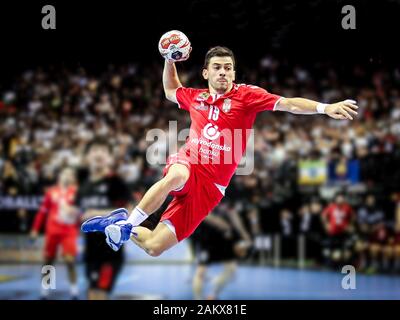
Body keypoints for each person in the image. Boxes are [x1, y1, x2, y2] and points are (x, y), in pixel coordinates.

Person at [81, 44, 359, 257]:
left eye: (228, 67)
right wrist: (168, 58)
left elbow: (289, 104)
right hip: (189, 162)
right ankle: (128, 223)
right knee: (176, 176)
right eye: (217, 67)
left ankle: (116, 224)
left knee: (154, 247)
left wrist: (325, 108)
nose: (223, 72)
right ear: (206, 72)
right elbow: (170, 89)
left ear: (234, 72)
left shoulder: (247, 96)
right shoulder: (196, 97)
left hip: (213, 186)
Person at [75, 138, 132, 300]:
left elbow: (127, 212)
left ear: (109, 158)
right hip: (90, 251)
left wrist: (96, 213)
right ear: (87, 157)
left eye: (103, 150)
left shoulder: (116, 182)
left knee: (100, 294)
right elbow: (79, 214)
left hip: (110, 253)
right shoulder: (84, 186)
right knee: (92, 293)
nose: (98, 153)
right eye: (94, 150)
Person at [30, 167, 79, 299]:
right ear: (60, 176)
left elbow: (80, 212)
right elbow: (42, 212)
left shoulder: (76, 192)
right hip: (52, 230)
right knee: (48, 260)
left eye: (70, 174)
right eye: (65, 173)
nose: (67, 176)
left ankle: (74, 291)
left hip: (69, 231)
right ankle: (45, 289)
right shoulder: (51, 192)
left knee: (70, 260)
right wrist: (35, 229)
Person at [191, 201, 252, 300]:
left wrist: (244, 234)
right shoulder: (203, 192)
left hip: (224, 239)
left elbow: (233, 215)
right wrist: (221, 224)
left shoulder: (228, 196)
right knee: (201, 271)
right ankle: (198, 299)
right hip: (206, 239)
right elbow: (203, 213)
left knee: (231, 270)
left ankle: (213, 294)